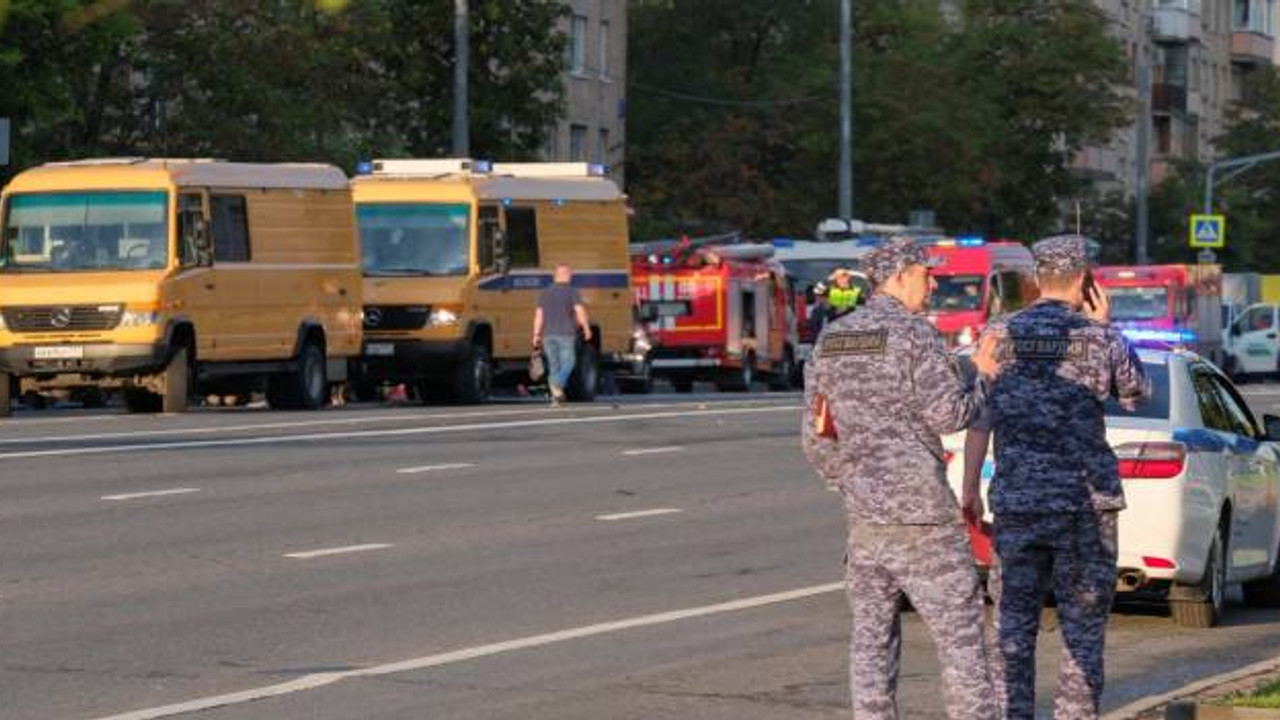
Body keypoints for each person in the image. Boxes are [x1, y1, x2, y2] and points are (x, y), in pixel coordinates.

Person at [802, 236, 1001, 720]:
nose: (933, 283)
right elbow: (950, 414)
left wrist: (854, 482)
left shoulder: (832, 339)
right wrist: (983, 374)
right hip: (924, 523)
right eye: (925, 274)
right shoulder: (915, 335)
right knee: (961, 642)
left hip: (866, 524)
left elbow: (815, 437)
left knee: (871, 646)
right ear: (896, 277)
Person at [962, 234, 1148, 720]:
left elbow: (980, 417)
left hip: (1018, 505)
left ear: (1036, 279)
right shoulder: (1099, 336)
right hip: (1083, 510)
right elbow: (1135, 395)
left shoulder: (999, 334)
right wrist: (1106, 327)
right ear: (1087, 281)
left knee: (1011, 632)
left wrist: (968, 490)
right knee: (1082, 634)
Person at [533, 263, 592, 406]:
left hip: (548, 335)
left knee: (554, 366)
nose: (571, 276)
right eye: (570, 273)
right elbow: (579, 311)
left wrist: (536, 335)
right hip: (566, 334)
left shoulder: (545, 292)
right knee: (569, 362)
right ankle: (556, 384)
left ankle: (556, 398)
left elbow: (539, 315)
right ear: (565, 274)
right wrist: (586, 328)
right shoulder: (571, 291)